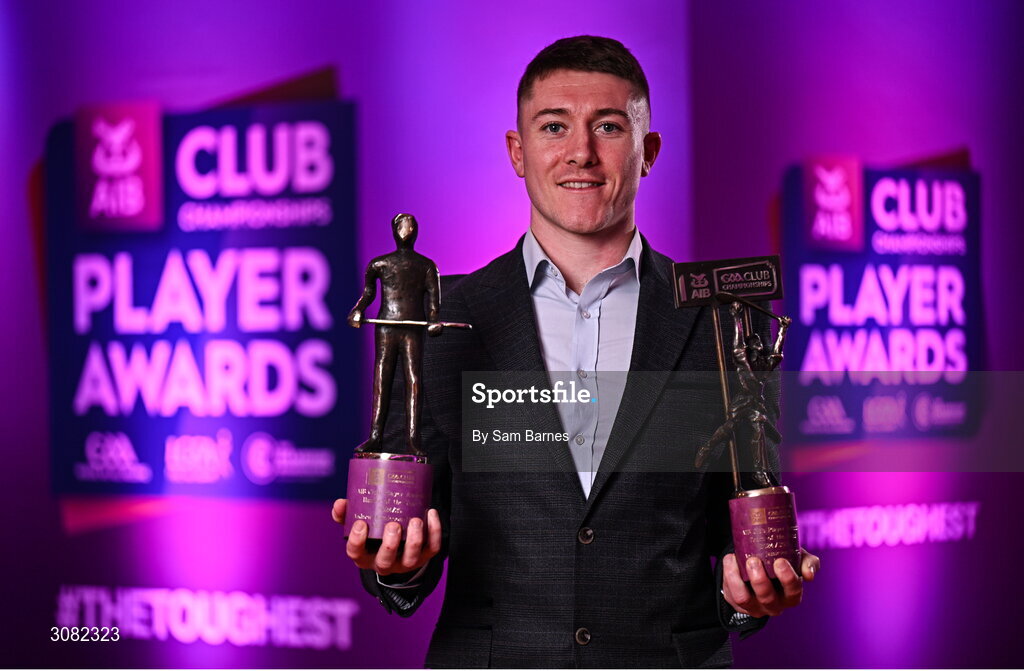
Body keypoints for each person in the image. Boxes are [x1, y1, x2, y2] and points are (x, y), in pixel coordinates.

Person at [332, 35, 820, 668]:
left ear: (647, 153)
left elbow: (746, 533)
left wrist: (750, 598)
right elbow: (401, 544)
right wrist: (396, 565)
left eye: (608, 126)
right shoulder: (445, 319)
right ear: (518, 151)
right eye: (554, 126)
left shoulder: (718, 322)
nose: (580, 153)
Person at [347, 213, 442, 456]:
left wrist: (433, 321)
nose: (406, 229)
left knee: (413, 381)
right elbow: (368, 294)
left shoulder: (426, 266)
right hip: (387, 326)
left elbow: (433, 298)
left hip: (412, 327)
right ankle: (375, 437)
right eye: (402, 225)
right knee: (382, 379)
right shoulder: (379, 264)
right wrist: (357, 310)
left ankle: (413, 439)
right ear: (394, 230)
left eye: (410, 225)